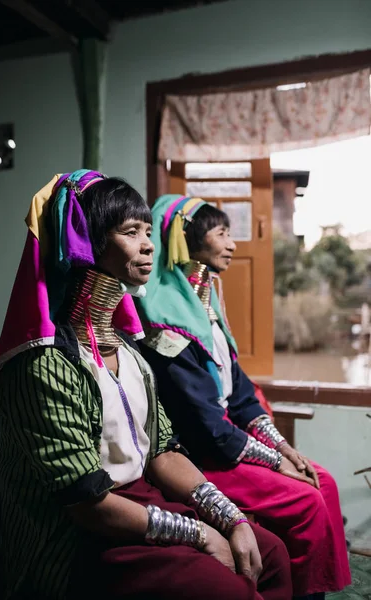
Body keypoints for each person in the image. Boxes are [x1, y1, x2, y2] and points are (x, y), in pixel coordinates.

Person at [0, 172, 292, 600]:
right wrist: (198, 534)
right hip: (77, 536)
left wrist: (231, 518)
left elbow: (163, 450)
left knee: (271, 553)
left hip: (139, 504)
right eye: (130, 232)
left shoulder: (130, 355)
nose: (149, 244)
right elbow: (86, 503)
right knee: (224, 587)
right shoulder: (43, 364)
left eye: (149, 232)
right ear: (84, 243)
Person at [136, 194, 352, 600]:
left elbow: (241, 399)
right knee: (305, 501)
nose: (233, 244)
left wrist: (285, 449)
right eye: (221, 233)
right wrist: (276, 462)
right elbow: (208, 427)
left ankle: (317, 589)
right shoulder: (165, 324)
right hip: (204, 455)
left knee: (324, 481)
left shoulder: (208, 312)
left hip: (227, 442)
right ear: (187, 240)